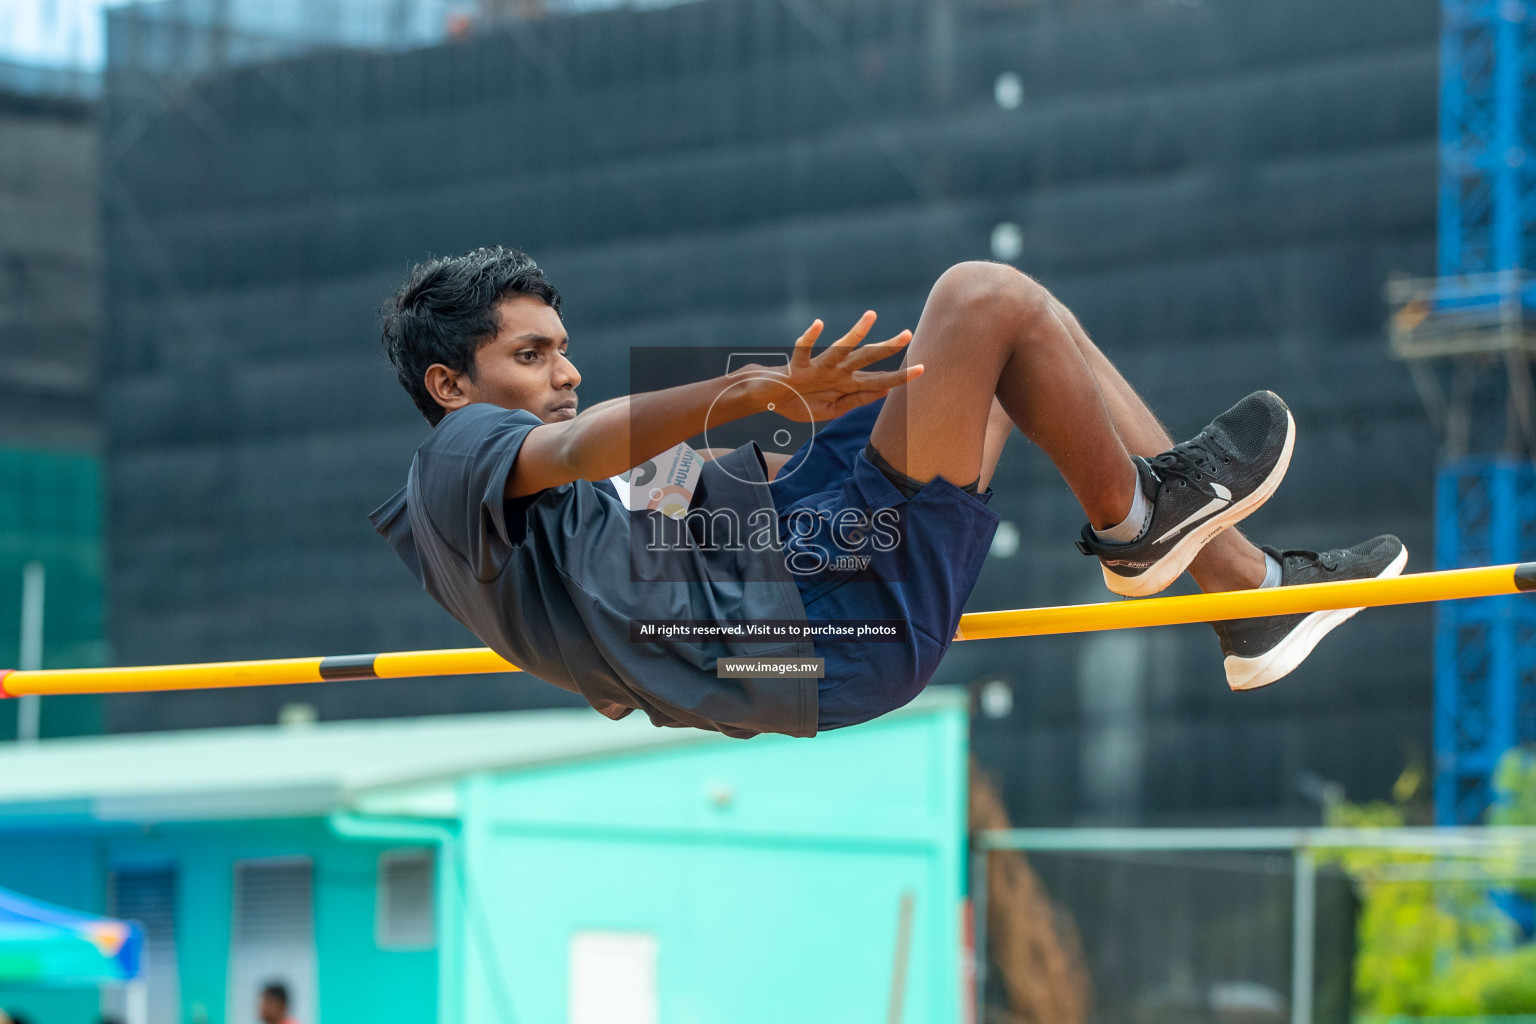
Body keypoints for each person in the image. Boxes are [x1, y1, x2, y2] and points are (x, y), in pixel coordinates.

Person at [370, 247, 1405, 738]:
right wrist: (751, 387)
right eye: (532, 354)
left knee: (1018, 338)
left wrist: (810, 425)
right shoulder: (462, 451)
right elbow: (591, 445)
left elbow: (621, 621)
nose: (566, 373)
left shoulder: (495, 531)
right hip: (816, 620)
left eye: (564, 351)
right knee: (981, 296)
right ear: (450, 386)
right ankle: (1142, 526)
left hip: (802, 591)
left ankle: (1250, 597)